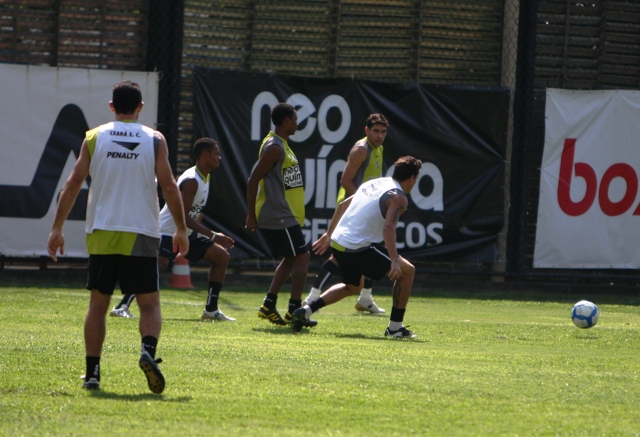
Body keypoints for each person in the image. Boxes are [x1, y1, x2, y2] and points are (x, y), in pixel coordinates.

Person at [47, 80, 189, 393]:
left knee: (98, 305)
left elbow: (71, 185)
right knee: (149, 304)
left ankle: (93, 373)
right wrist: (180, 228)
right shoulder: (154, 139)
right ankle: (147, 353)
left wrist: (57, 228)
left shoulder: (94, 137)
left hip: (102, 229)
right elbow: (169, 186)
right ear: (140, 108)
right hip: (140, 230)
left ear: (112, 106)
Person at [291, 156, 422, 338]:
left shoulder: (375, 183)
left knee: (352, 286)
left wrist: (329, 234)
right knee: (408, 272)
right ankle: (395, 328)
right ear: (412, 179)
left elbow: (343, 204)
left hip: (339, 242)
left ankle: (305, 311)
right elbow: (389, 228)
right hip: (357, 247)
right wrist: (394, 261)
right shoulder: (399, 198)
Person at [110, 137, 236, 321]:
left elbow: (194, 213)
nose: (219, 157)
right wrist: (212, 235)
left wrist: (198, 234)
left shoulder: (205, 177)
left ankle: (211, 310)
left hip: (185, 232)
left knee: (221, 256)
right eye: (216, 154)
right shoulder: (192, 180)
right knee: (158, 265)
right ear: (205, 155)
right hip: (168, 231)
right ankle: (122, 306)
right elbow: (183, 216)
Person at [303, 113, 389, 314]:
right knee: (340, 256)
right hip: (351, 208)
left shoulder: (379, 148)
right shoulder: (361, 150)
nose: (379, 136)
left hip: (365, 208)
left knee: (372, 248)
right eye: (375, 131)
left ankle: (365, 298)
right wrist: (364, 200)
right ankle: (313, 297)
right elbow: (345, 180)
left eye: (383, 132)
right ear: (366, 131)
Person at [245, 102, 316, 328]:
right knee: (303, 256)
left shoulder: (281, 144)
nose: (297, 123)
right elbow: (253, 179)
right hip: (277, 213)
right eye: (295, 119)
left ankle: (269, 304)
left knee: (291, 258)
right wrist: (251, 215)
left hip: (285, 213)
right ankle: (295, 310)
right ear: (286, 121)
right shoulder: (275, 147)